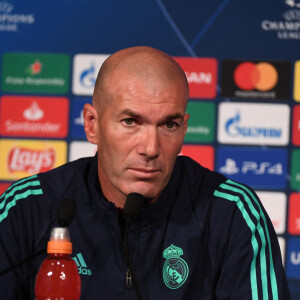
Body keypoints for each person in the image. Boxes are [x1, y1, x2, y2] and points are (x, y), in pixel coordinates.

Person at [0, 46, 291, 299]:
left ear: (184, 128)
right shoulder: (27, 207)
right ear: (92, 124)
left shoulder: (232, 212)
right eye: (130, 121)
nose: (151, 148)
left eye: (169, 125)